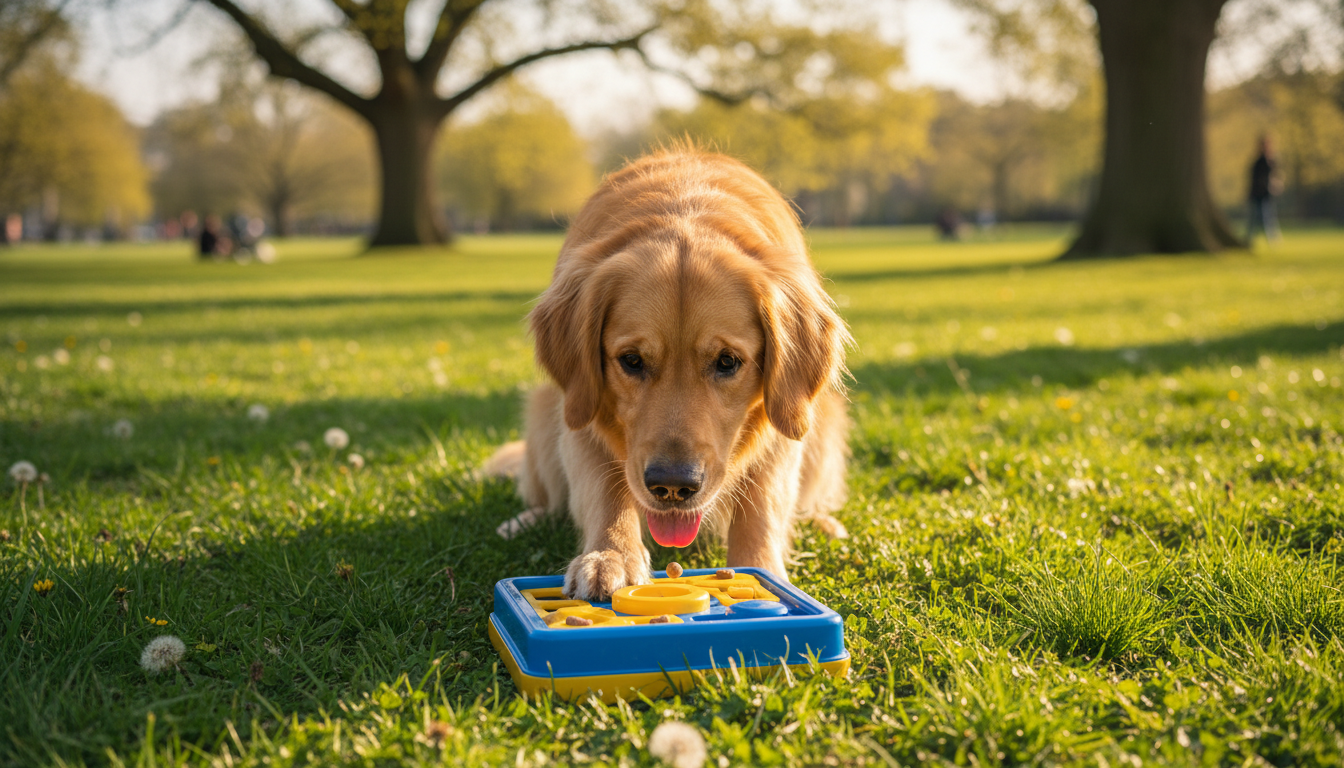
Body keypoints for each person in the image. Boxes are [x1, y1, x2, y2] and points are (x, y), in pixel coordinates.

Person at [1246, 135, 1282, 243]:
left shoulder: (1270, 161)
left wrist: (1275, 185)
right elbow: (1253, 179)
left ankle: (1272, 240)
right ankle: (1250, 240)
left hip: (1266, 195)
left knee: (1268, 218)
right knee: (1256, 219)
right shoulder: (1258, 162)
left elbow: (1276, 176)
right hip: (1257, 194)